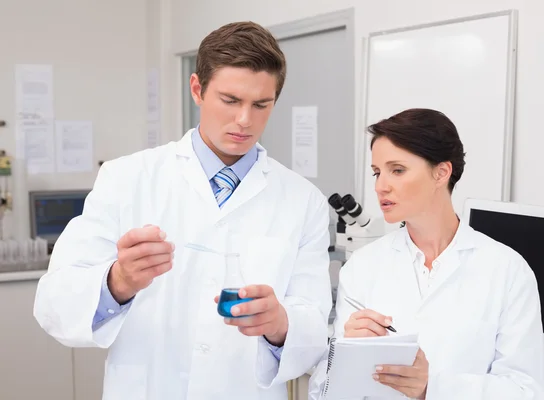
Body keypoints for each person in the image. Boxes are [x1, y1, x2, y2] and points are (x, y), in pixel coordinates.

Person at [33, 21, 332, 400]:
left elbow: (313, 324)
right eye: (230, 100)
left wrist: (280, 323)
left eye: (261, 105)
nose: (245, 120)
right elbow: (53, 302)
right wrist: (118, 282)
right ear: (197, 90)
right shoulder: (127, 177)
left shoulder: (303, 200)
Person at [309, 109, 544, 399]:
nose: (381, 186)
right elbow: (323, 390)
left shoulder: (507, 270)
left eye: (397, 170)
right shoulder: (362, 268)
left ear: (441, 172)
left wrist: (432, 387)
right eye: (377, 172)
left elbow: (527, 391)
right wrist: (346, 353)